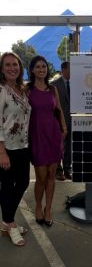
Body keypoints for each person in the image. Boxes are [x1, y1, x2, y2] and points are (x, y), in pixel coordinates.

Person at [28, 55, 67, 228]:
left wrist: (64, 128)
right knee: (41, 177)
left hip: (53, 134)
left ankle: (48, 209)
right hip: (36, 136)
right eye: (37, 67)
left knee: (52, 175)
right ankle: (37, 206)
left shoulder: (52, 89)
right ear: (32, 70)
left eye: (44, 66)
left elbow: (58, 110)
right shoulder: (26, 89)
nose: (41, 69)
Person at [0, 52, 31, 246]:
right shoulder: (1, 90)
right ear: (2, 69)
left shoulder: (22, 89)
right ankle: (10, 224)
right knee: (8, 186)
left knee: (24, 182)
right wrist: (1, 152)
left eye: (15, 64)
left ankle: (6, 221)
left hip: (23, 145)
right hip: (7, 149)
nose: (12, 68)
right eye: (8, 65)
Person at [52, 61, 71, 181]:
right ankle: (58, 170)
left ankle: (67, 169)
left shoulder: (76, 83)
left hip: (72, 120)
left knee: (69, 146)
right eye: (70, 69)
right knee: (59, 146)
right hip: (59, 121)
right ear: (63, 70)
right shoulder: (54, 85)